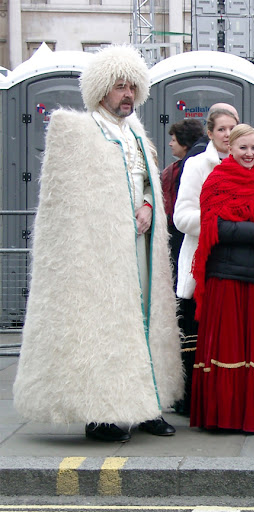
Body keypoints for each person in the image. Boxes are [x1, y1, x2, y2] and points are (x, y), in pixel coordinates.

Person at [12, 45, 183, 442]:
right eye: (119, 87)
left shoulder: (136, 132)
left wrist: (145, 204)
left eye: (132, 87)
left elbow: (144, 181)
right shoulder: (80, 132)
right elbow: (66, 200)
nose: (127, 95)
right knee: (101, 328)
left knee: (143, 321)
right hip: (97, 254)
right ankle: (101, 414)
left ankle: (145, 406)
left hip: (139, 248)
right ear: (102, 89)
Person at [190, 124, 254, 432]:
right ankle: (224, 417)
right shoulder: (217, 181)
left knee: (253, 350)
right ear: (230, 149)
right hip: (227, 277)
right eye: (243, 148)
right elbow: (215, 228)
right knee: (230, 347)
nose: (249, 154)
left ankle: (252, 416)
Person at [173, 107, 239, 416]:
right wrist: (222, 219)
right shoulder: (197, 165)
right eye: (222, 129)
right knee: (196, 338)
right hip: (203, 264)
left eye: (233, 128)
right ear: (210, 134)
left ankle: (225, 401)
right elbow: (182, 217)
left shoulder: (247, 162)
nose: (228, 134)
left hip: (237, 265)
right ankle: (192, 400)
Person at [161, 119, 205, 276]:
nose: (170, 144)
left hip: (182, 231)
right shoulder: (194, 161)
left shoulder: (188, 166)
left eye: (174, 140)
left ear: (184, 143)